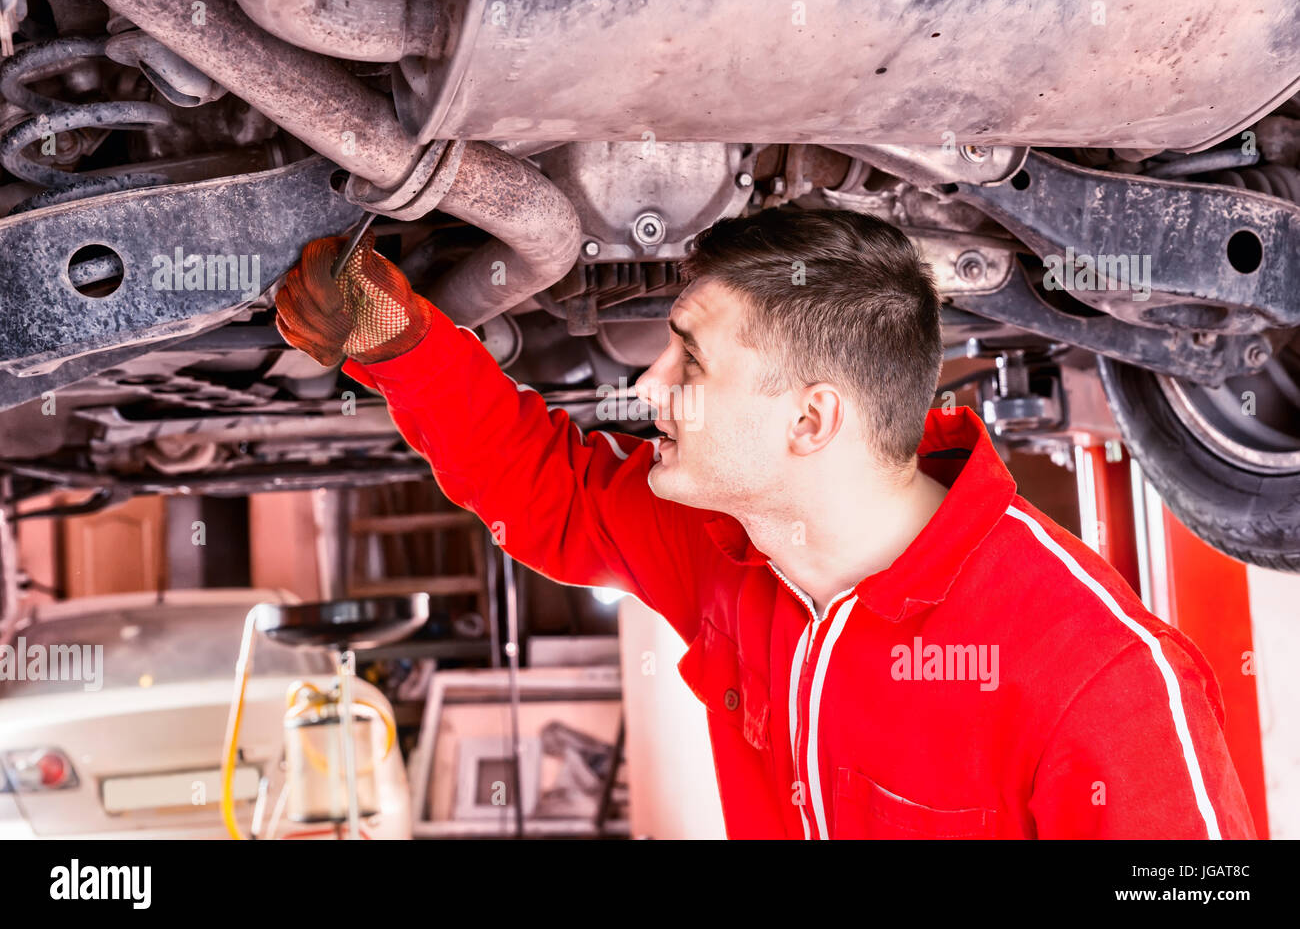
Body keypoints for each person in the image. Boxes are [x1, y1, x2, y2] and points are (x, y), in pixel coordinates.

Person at [276, 207, 1256, 839]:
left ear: (809, 418)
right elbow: (550, 490)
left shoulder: (1102, 676)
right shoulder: (730, 550)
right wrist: (398, 342)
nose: (645, 390)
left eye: (688, 365)